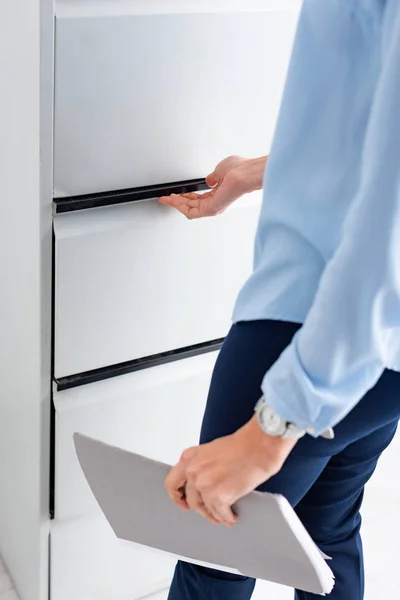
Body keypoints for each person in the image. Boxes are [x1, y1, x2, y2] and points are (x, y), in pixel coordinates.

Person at [160, 1, 400, 598]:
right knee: (327, 535)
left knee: (213, 556)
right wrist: (266, 169)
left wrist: (273, 426)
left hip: (313, 323)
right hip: (377, 341)